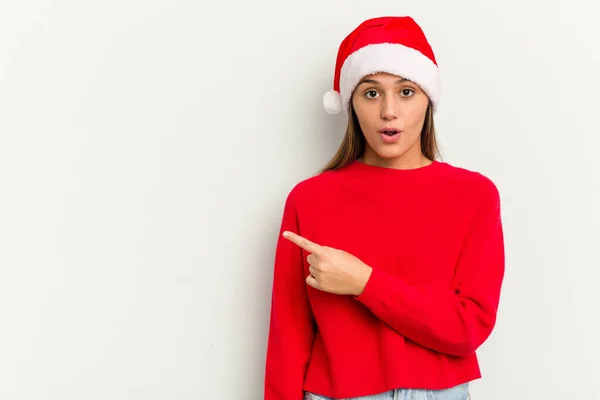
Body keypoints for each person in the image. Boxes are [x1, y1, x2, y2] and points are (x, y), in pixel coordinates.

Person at [264, 15, 505, 400]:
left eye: (406, 92)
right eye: (371, 93)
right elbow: (288, 334)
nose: (389, 111)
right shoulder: (310, 199)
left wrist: (365, 283)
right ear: (351, 104)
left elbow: (468, 328)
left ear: (429, 99)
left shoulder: (474, 195)